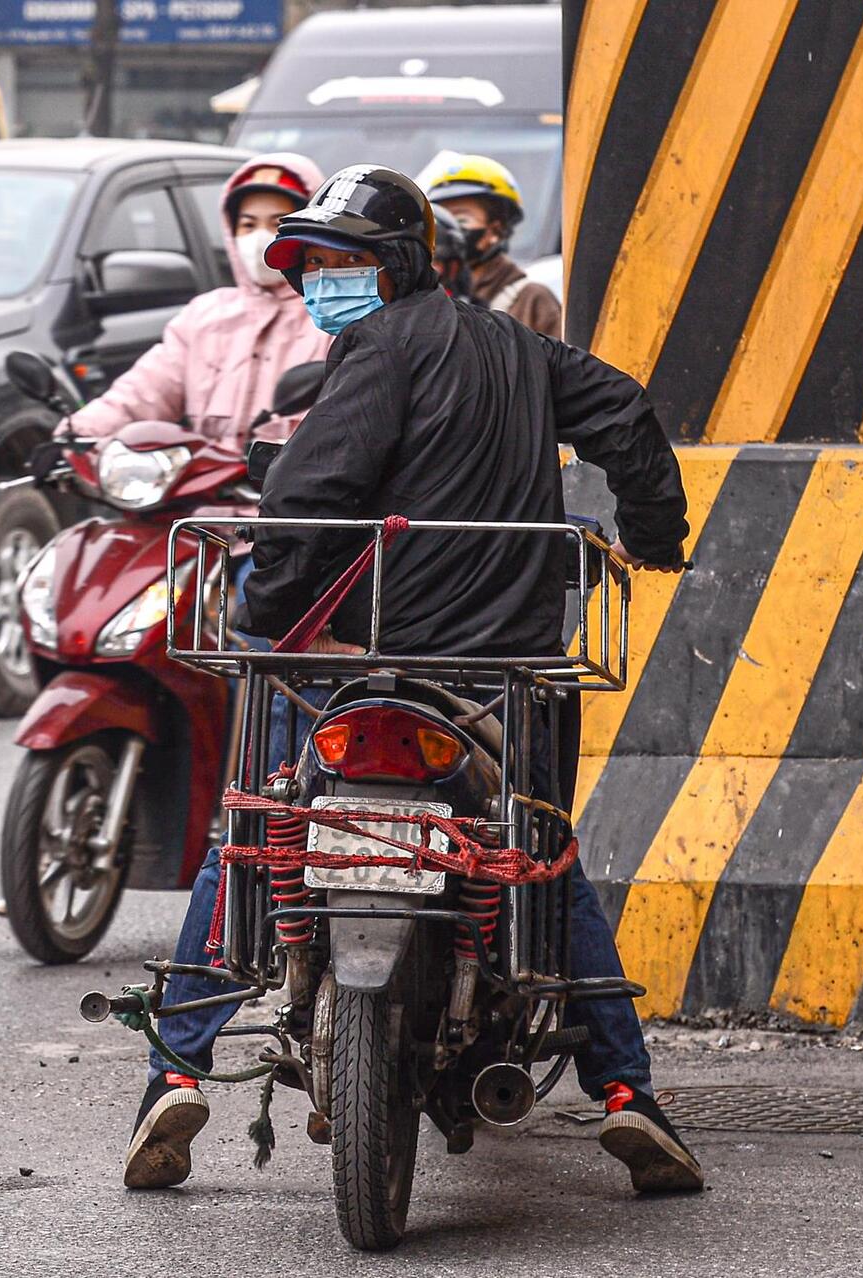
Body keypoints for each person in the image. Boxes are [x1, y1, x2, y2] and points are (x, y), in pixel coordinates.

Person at [122, 164, 702, 1199]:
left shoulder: (374, 348)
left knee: (254, 830)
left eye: (341, 261)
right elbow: (625, 415)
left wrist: (262, 622)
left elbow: (312, 494)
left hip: (365, 664)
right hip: (502, 671)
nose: (321, 282)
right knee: (532, 845)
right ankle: (625, 1090)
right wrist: (655, 538)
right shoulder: (524, 350)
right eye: (310, 264)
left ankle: (178, 1065)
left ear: (391, 267)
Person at [66, 154, 333, 450]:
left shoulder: (333, 316)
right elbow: (145, 391)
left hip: (299, 487)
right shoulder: (204, 316)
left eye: (278, 223)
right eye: (248, 225)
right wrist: (78, 432)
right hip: (206, 488)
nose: (261, 238)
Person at [421, 153, 562, 338]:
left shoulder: (531, 299)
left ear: (495, 231)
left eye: (461, 219)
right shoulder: (427, 294)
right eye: (440, 218)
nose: (448, 228)